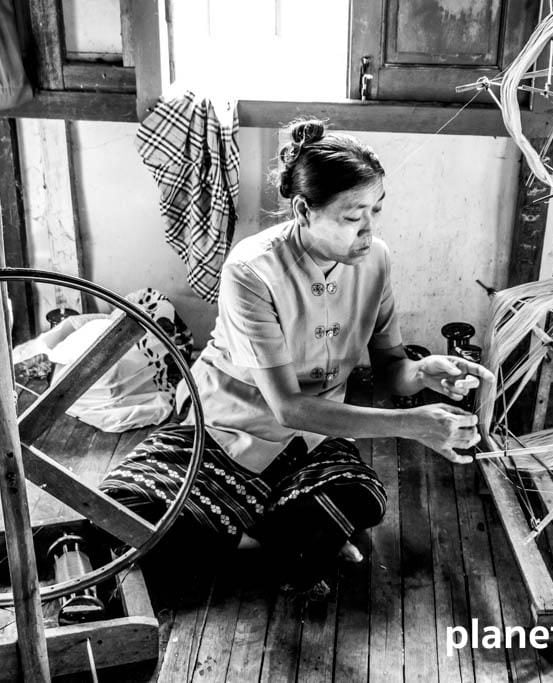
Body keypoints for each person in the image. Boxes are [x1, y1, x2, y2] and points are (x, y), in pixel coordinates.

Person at [100, 119, 493, 595]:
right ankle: (286, 547)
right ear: (304, 209)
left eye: (376, 211)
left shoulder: (376, 260)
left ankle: (252, 540)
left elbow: (391, 370)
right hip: (229, 430)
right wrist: (414, 426)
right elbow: (287, 406)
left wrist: (425, 373)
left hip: (313, 438)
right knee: (118, 511)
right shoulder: (252, 270)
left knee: (359, 496)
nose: (368, 231)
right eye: (352, 217)